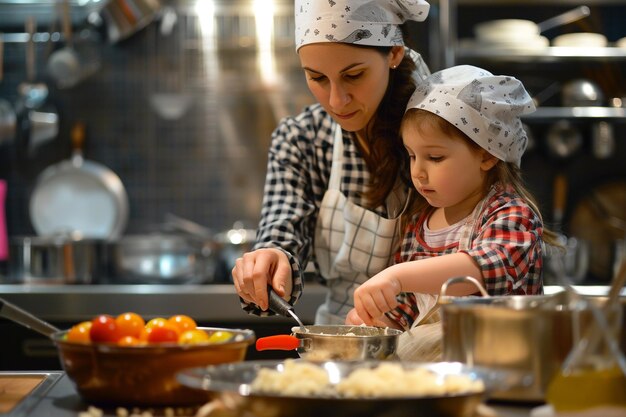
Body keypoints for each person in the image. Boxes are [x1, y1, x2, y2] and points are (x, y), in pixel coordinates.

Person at [231, 0, 432, 324]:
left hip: (431, 338)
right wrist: (270, 259)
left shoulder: (441, 132)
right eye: (317, 78)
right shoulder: (302, 139)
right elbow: (282, 232)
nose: (336, 100)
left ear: (394, 53)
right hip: (342, 338)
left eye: (354, 75)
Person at [346, 65, 554, 358]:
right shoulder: (419, 224)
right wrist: (377, 323)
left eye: (434, 157)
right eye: (412, 155)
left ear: (486, 154)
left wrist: (398, 275)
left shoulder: (511, 214)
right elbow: (409, 314)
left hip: (504, 367)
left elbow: (486, 270)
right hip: (438, 376)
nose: (418, 171)